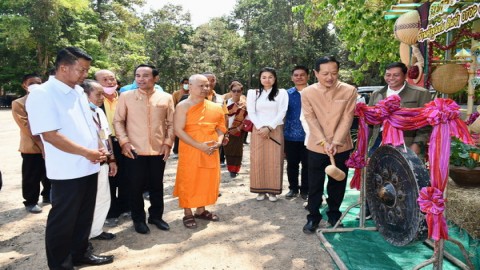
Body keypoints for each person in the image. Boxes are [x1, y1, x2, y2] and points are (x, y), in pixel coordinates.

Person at [26, 47, 114, 268]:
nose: (85, 75)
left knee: (84, 217)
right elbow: (50, 135)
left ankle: (80, 253)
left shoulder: (76, 91)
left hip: (89, 165)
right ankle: (60, 265)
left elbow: (86, 126)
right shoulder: (43, 93)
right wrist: (87, 152)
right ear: (63, 67)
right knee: (63, 221)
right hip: (67, 169)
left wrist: (98, 148)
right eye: (82, 70)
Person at [113, 64, 174, 234]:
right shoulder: (125, 97)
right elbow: (118, 121)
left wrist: (168, 143)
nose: (141, 79)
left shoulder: (166, 97)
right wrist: (124, 142)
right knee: (135, 186)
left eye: (145, 75)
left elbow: (171, 123)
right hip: (133, 150)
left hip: (158, 149)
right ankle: (138, 219)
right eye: (138, 75)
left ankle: (156, 216)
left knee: (156, 185)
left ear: (156, 78)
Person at [301, 56, 357, 234]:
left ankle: (334, 214)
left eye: (334, 73)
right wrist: (324, 142)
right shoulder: (307, 93)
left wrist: (336, 142)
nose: (329, 77)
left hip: (341, 145)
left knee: (337, 182)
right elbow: (310, 118)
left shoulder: (349, 91)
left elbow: (348, 117)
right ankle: (313, 217)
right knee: (315, 183)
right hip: (316, 146)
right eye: (325, 73)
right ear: (316, 73)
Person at [173, 74, 227, 229]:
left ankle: (201, 210)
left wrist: (218, 142)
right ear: (189, 86)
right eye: (201, 85)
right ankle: (188, 213)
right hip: (191, 149)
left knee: (207, 179)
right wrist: (199, 145)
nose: (205, 88)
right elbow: (178, 130)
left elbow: (220, 128)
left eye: (207, 85)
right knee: (189, 179)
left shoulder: (215, 107)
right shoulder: (183, 106)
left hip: (210, 150)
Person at [368, 62, 431, 156]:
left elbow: (427, 122)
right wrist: (362, 146)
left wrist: (418, 143)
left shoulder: (420, 93)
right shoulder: (377, 94)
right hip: (379, 141)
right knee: (376, 169)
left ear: (405, 75)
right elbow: (369, 122)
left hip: (406, 142)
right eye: (388, 75)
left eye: (396, 75)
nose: (391, 78)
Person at [82, 79, 118, 241]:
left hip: (103, 162)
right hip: (88, 163)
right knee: (87, 201)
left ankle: (95, 231)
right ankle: (83, 235)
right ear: (85, 94)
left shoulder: (99, 112)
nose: (101, 97)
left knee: (103, 197)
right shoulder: (80, 114)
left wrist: (112, 159)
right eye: (98, 94)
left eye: (102, 94)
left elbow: (106, 136)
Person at [246, 67, 288, 202]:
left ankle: (273, 191)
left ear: (274, 79)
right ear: (260, 79)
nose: (267, 80)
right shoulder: (253, 93)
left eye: (270, 77)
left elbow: (282, 111)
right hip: (258, 130)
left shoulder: (281, 93)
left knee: (274, 160)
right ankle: (260, 189)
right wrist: (260, 127)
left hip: (275, 129)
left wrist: (269, 128)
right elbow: (251, 112)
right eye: (264, 77)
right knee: (258, 160)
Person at [95, 69, 130, 227]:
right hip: (105, 143)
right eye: (105, 80)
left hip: (125, 141)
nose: (110, 82)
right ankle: (111, 212)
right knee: (110, 177)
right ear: (97, 83)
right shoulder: (95, 101)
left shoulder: (125, 98)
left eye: (112, 79)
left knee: (127, 176)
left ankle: (125, 207)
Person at [11, 73, 51, 213]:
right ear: (24, 85)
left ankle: (47, 195)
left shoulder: (48, 101)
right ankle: (30, 201)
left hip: (52, 145)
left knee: (49, 173)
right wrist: (42, 145)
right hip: (31, 147)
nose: (36, 86)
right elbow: (27, 127)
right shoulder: (19, 103)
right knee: (31, 175)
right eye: (32, 83)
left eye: (39, 83)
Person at [284, 66, 309, 200]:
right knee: (292, 164)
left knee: (307, 165)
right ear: (292, 77)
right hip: (290, 135)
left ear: (308, 77)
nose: (299, 77)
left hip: (309, 135)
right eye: (296, 75)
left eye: (302, 75)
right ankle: (293, 188)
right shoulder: (286, 94)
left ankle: (305, 190)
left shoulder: (314, 92)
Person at [223, 81, 248, 178]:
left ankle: (235, 169)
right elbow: (222, 116)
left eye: (238, 91)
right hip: (227, 129)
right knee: (227, 149)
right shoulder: (225, 103)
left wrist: (238, 128)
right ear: (230, 91)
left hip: (239, 130)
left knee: (237, 150)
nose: (236, 93)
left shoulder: (245, 104)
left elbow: (247, 118)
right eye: (234, 91)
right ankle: (230, 168)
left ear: (242, 91)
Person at [171, 77, 190, 157]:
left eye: (188, 83)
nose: (187, 85)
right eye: (185, 83)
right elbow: (172, 105)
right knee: (178, 133)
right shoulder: (176, 94)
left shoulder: (193, 92)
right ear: (181, 84)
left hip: (190, 116)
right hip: (179, 115)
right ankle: (176, 150)